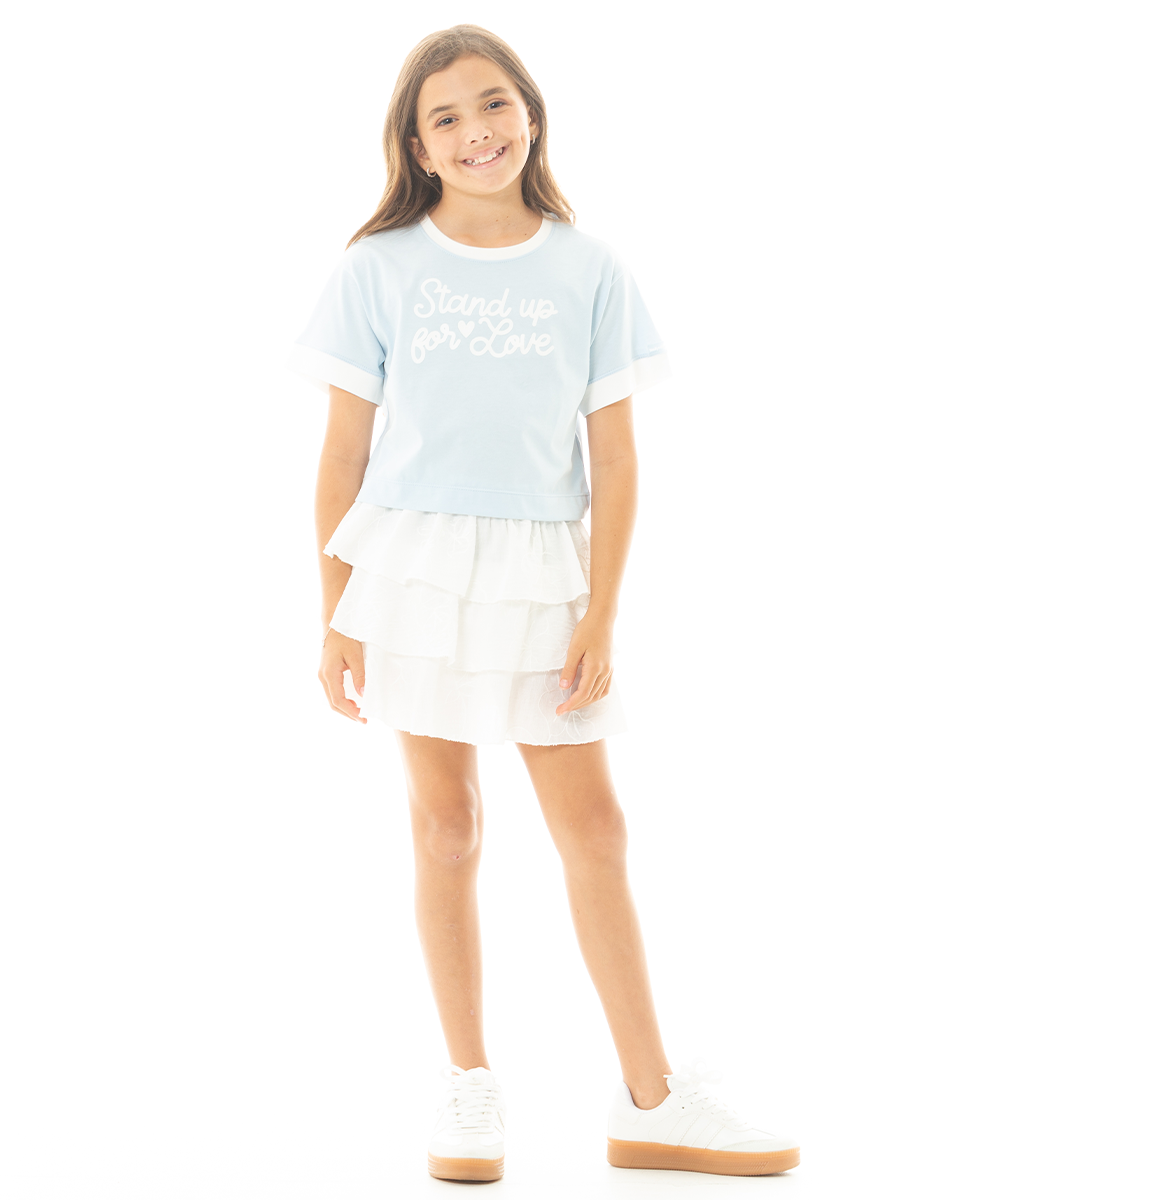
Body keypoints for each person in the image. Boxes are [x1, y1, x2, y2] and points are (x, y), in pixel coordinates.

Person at [288, 23, 799, 1183]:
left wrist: (601, 613)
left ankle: (653, 1097)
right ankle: (468, 1084)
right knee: (447, 826)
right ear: (416, 147)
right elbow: (341, 458)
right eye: (447, 118)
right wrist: (335, 613)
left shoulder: (590, 268)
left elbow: (614, 458)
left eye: (493, 104)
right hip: (414, 573)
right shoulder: (377, 268)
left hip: (542, 578)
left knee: (596, 828)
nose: (477, 132)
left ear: (530, 112)